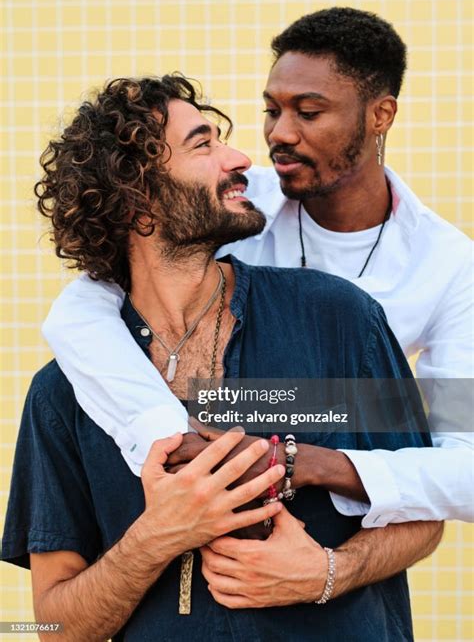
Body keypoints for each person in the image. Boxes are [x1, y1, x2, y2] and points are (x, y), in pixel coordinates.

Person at [2, 75, 442, 641]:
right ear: (137, 198)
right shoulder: (61, 395)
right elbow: (56, 628)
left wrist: (326, 574)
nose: (238, 158)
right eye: (203, 144)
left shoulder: (338, 318)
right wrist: (158, 535)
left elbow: (426, 510)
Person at [41, 7, 473, 526]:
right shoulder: (234, 205)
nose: (279, 134)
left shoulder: (449, 266)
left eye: (308, 113)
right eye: (272, 110)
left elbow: (464, 464)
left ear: (379, 115)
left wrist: (306, 460)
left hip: (332, 519)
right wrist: (164, 432)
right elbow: (82, 308)